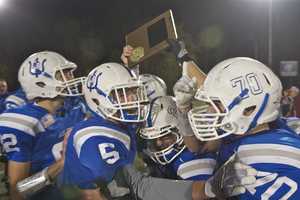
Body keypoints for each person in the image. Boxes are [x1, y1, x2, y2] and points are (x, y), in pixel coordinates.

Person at [180, 57, 300, 199]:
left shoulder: (255, 155)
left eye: (217, 103)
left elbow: (196, 194)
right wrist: (184, 59)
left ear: (249, 110)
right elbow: (199, 148)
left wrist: (211, 188)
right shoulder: (258, 128)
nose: (210, 111)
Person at [0, 51, 86, 200]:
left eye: (70, 74)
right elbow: (18, 191)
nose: (71, 79)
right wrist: (61, 165)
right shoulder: (24, 122)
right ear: (41, 82)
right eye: (63, 75)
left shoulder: (73, 108)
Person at [61, 62, 150, 199]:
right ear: (97, 100)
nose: (132, 99)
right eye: (121, 95)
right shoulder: (95, 134)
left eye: (132, 91)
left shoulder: (119, 123)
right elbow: (119, 191)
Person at [140, 96, 216, 181]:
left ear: (181, 131)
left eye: (165, 136)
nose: (158, 143)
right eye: (154, 139)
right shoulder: (162, 162)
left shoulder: (189, 160)